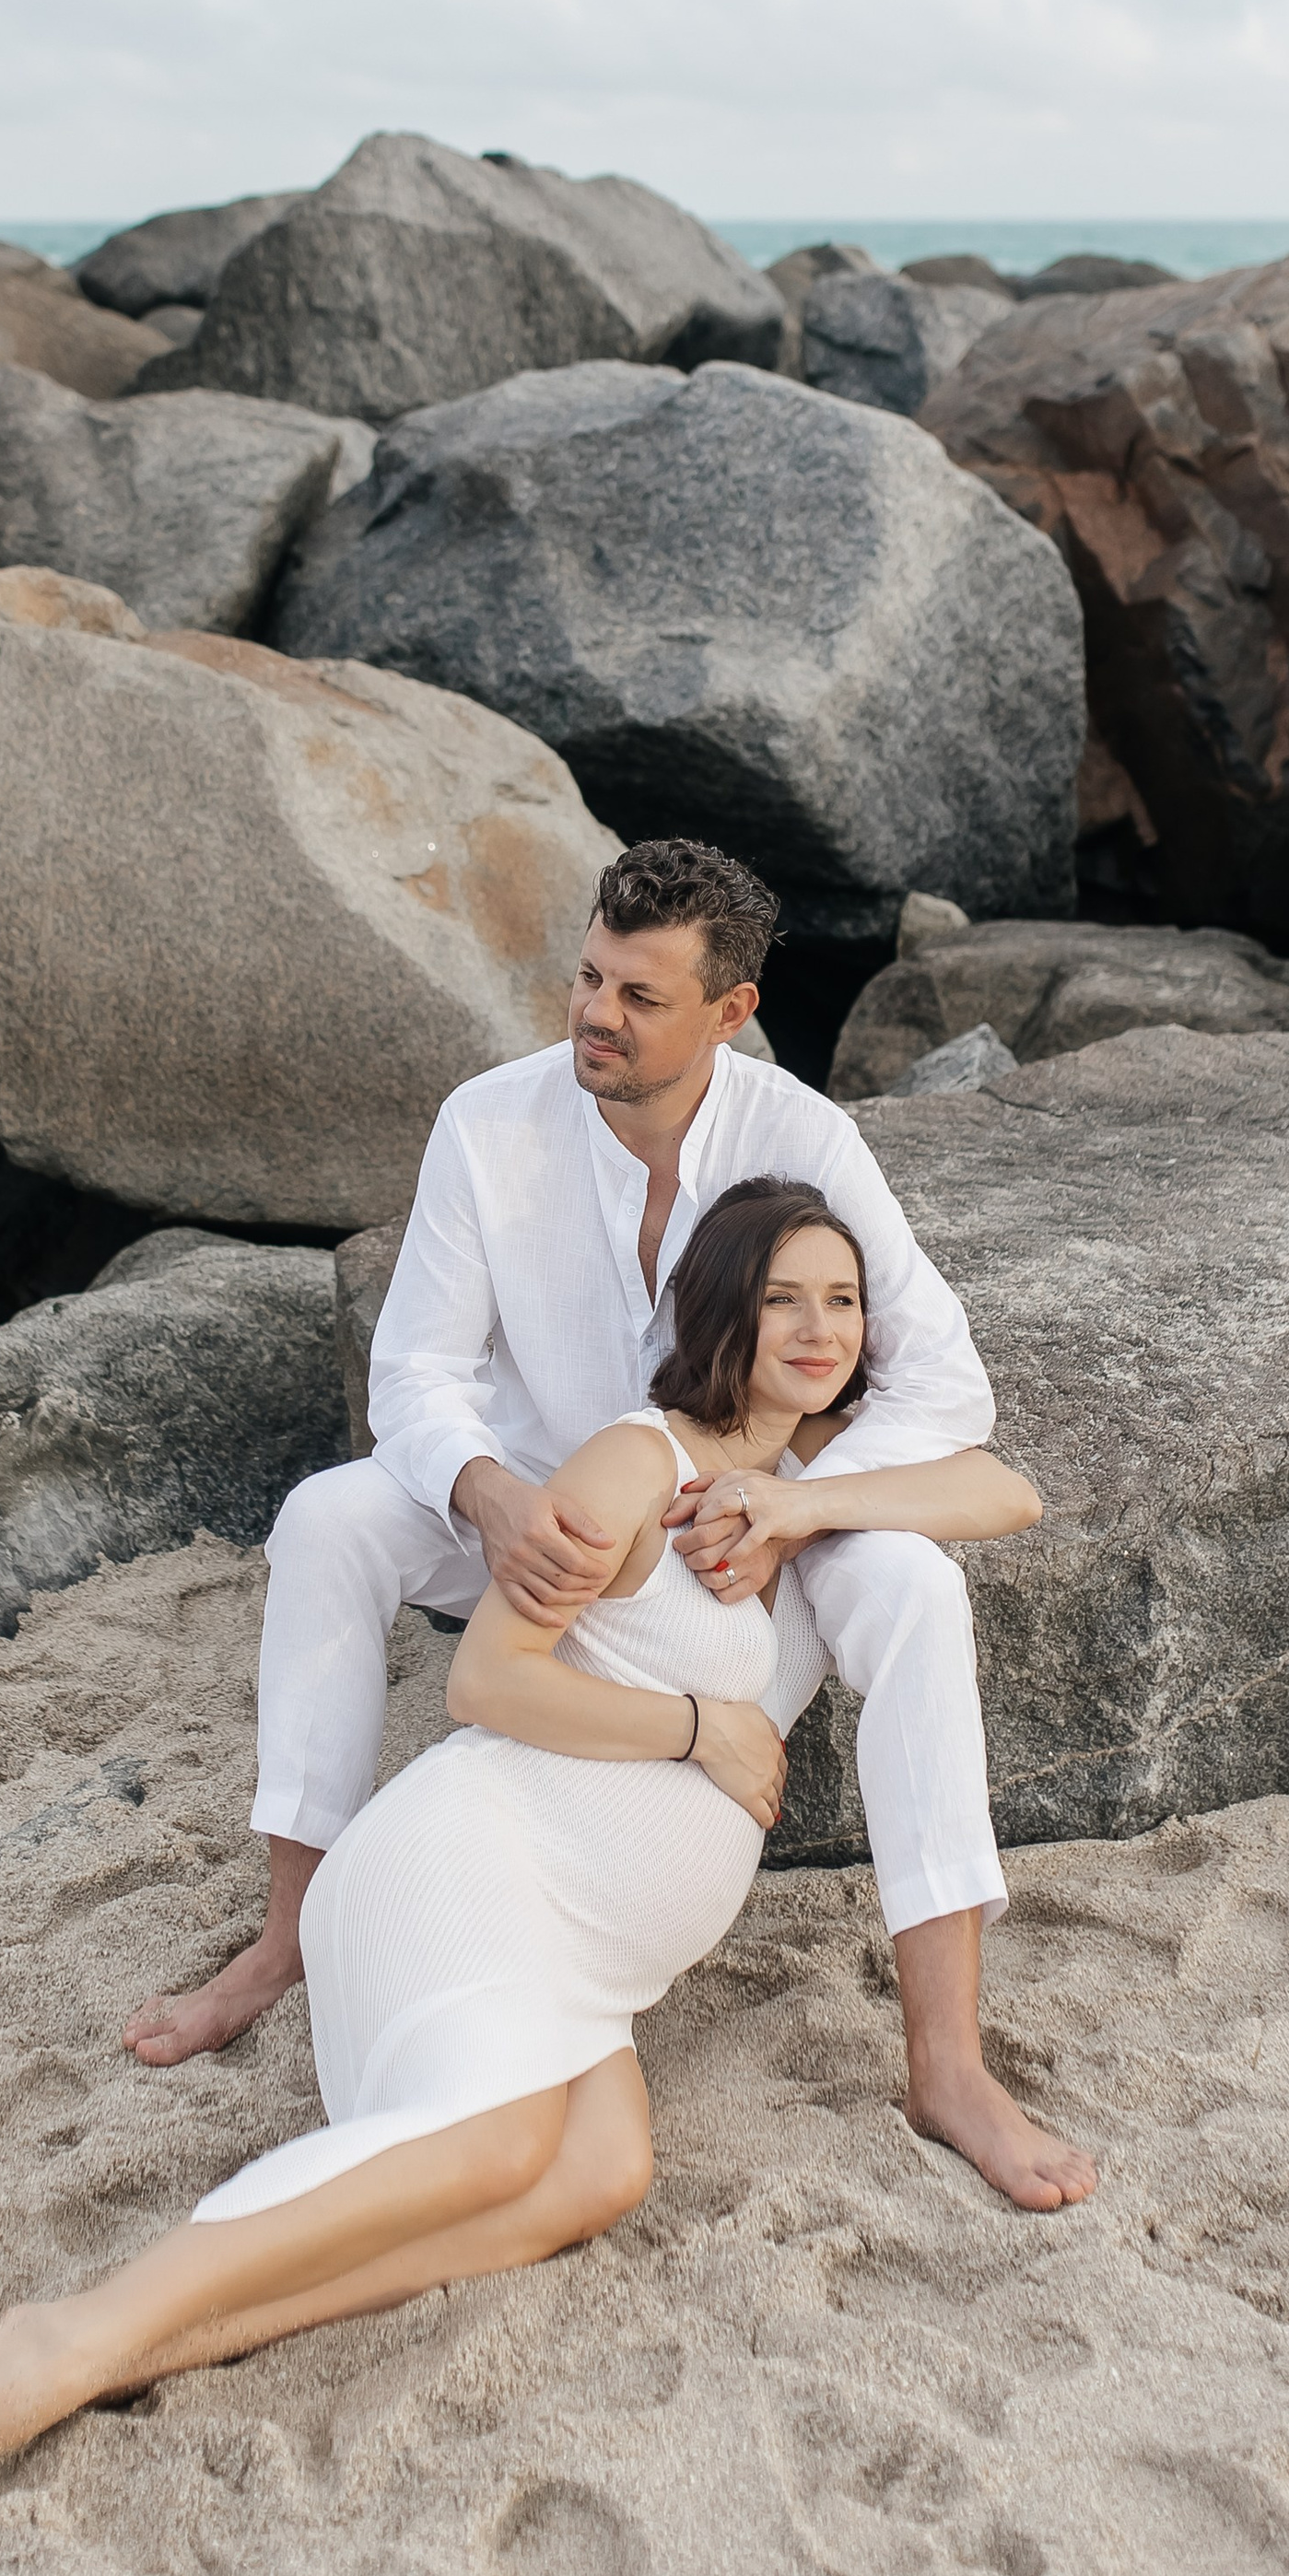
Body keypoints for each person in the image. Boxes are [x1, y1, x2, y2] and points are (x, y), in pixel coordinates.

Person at [0, 1177, 1048, 2518]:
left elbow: (1003, 1490)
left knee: (599, 2174)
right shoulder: (637, 1465)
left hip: (583, 1964)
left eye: (842, 1300)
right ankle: (75, 2330)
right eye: (784, 1298)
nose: (820, 1327)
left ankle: (157, 2346)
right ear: (722, 1307)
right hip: (472, 1864)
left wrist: (798, 1509)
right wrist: (696, 1728)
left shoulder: (806, 1480)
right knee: (494, 2149)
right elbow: (486, 1681)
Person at [124, 836, 1096, 2218]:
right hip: (544, 1505)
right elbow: (415, 1370)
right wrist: (487, 1492)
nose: (596, 1013)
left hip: (729, 1520)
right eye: (589, 977)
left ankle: (948, 2061)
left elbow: (944, 1387)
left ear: (731, 1010)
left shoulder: (805, 1139)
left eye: (641, 996)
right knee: (330, 1518)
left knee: (919, 1593)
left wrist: (789, 1508)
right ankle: (288, 1933)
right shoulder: (489, 1122)